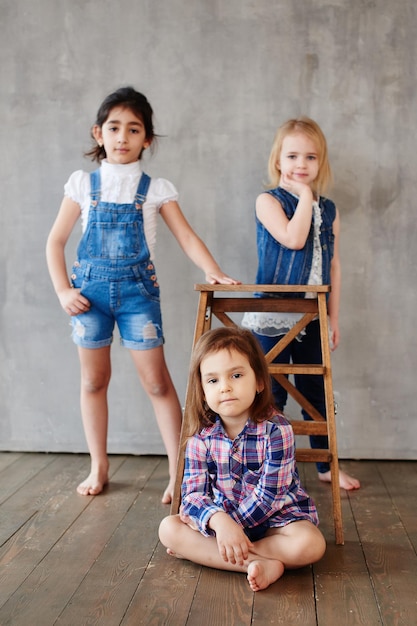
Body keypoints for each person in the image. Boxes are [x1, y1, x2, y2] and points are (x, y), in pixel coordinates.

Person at [46, 86, 239, 503]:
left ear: (146, 139)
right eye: (114, 127)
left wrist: (212, 269)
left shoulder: (154, 189)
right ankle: (99, 464)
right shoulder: (83, 184)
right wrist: (63, 289)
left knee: (157, 383)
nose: (122, 137)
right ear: (98, 132)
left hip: (138, 298)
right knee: (93, 380)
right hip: (88, 297)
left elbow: (185, 236)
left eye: (134, 130)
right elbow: (55, 242)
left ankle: (179, 471)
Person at [158, 327, 326, 592]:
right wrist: (220, 522)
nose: (225, 387)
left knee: (311, 543)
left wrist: (231, 528)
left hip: (275, 522)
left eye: (236, 375)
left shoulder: (276, 430)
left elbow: (270, 497)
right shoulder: (200, 438)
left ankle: (211, 554)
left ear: (259, 381)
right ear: (202, 390)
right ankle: (260, 563)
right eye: (212, 381)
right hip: (222, 525)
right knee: (168, 529)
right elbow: (191, 496)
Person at [242, 117, 360, 491]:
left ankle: (326, 465)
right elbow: (293, 239)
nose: (301, 164)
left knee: (315, 392)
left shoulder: (331, 209)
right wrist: (306, 197)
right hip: (273, 312)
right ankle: (265, 469)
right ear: (278, 159)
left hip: (312, 313)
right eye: (293, 155)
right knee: (271, 391)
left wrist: (333, 317)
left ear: (320, 162)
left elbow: (334, 266)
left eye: (310, 157)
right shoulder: (268, 201)